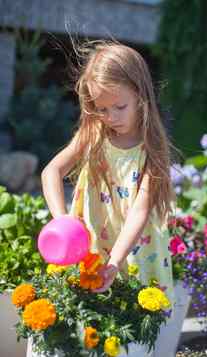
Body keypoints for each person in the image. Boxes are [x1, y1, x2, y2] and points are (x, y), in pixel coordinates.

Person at [29, 39, 177, 357]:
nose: (110, 116)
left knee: (130, 329)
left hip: (134, 251)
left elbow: (139, 210)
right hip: (92, 244)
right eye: (101, 108)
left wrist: (115, 262)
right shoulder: (94, 133)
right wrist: (62, 219)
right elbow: (51, 172)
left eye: (119, 107)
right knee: (88, 322)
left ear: (141, 95)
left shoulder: (153, 151)